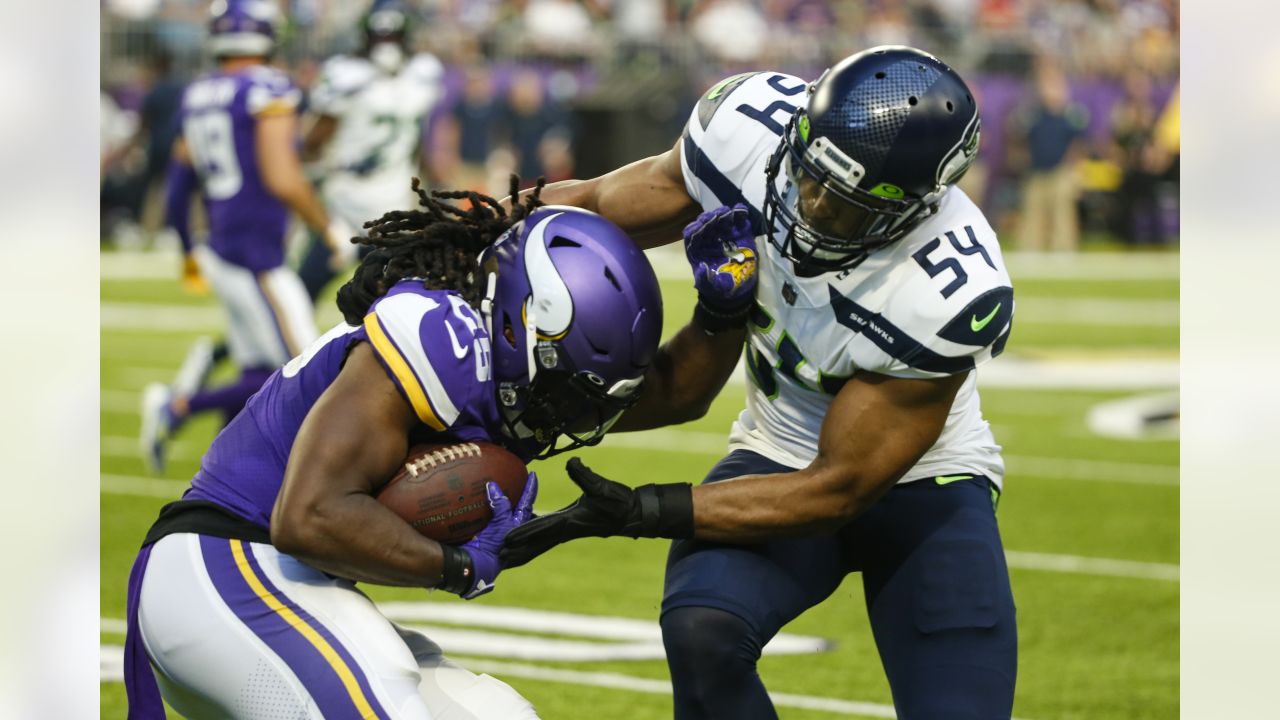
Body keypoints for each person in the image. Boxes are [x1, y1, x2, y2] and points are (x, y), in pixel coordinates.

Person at [122, 166, 763, 717]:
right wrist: (456, 567)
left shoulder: (529, 367)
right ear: (520, 326)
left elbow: (675, 395)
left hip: (289, 583)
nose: (575, 412)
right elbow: (309, 516)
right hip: (222, 567)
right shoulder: (438, 338)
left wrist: (722, 313)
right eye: (571, 389)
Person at [501, 46, 1018, 719]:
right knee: (702, 630)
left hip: (924, 486)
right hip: (775, 446)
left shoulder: (951, 290)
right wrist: (467, 231)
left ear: (914, 208)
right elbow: (594, 204)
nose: (811, 206)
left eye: (845, 207)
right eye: (809, 175)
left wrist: (642, 510)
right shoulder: (748, 127)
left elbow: (839, 489)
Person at [140, 0, 352, 473]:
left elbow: (178, 188)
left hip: (221, 244)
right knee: (310, 374)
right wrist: (327, 226)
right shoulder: (267, 88)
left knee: (261, 372)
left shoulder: (199, 94)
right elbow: (281, 176)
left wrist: (186, 248)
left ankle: (205, 452)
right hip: (257, 254)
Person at [297, 0, 446, 299]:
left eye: (391, 37)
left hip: (391, 210)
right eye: (381, 37)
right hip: (345, 207)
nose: (386, 46)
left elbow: (414, 139)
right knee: (301, 294)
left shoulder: (419, 73)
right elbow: (313, 142)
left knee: (396, 302)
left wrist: (437, 185)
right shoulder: (350, 74)